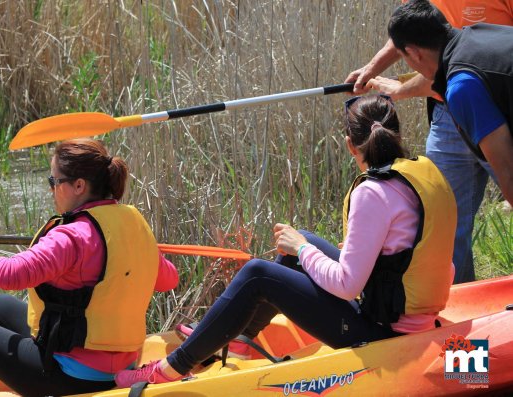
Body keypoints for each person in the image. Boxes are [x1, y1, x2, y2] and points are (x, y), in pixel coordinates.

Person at [114, 95, 457, 388]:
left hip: (386, 332)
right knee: (301, 242)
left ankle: (171, 368)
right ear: (395, 134)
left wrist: (302, 249)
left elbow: (347, 285)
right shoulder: (422, 169)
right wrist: (303, 247)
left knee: (259, 273)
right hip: (411, 314)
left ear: (350, 145)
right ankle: (239, 341)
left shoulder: (373, 192)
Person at [0, 138, 179, 396]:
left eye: (53, 181)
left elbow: (11, 274)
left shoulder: (72, 237)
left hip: (72, 376)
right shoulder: (134, 226)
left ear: (79, 185)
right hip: (119, 364)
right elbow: (169, 280)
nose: (51, 189)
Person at [345, 0, 513, 284]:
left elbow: (508, 170)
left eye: (402, 56)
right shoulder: (474, 36)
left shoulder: (462, 87)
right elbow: (436, 80)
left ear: (412, 53)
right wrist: (397, 89)